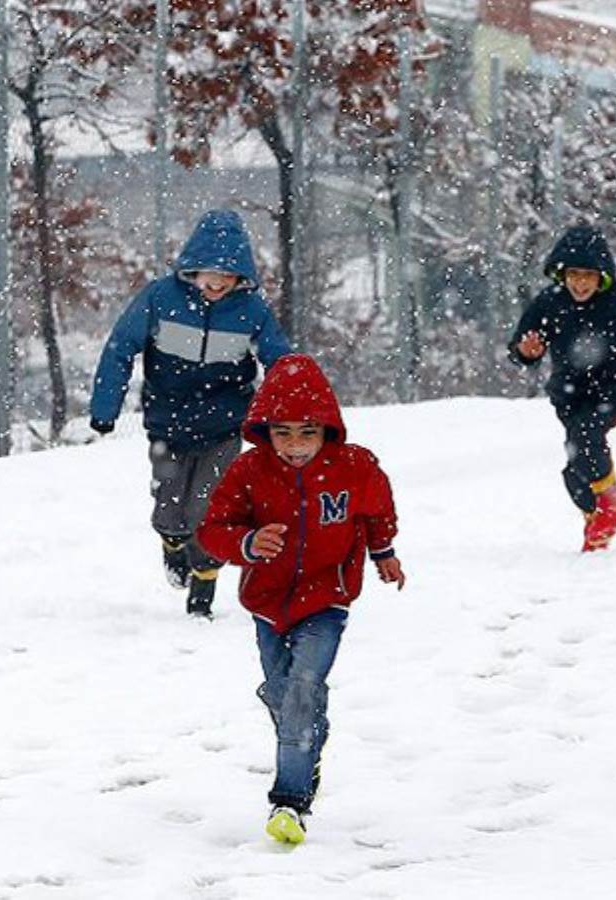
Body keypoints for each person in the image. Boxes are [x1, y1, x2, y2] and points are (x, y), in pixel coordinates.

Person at [197, 353, 405, 846]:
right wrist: (246, 543)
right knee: (282, 692)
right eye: (283, 433)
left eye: (307, 433)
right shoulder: (249, 471)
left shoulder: (354, 467)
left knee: (302, 687)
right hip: (267, 603)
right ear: (265, 431)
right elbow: (212, 529)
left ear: (328, 429)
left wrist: (384, 552)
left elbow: (377, 510)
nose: (294, 446)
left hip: (326, 598)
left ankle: (289, 800)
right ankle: (307, 737)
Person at [89, 210, 290, 618]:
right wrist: (104, 407)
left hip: (224, 426)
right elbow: (120, 347)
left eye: (227, 279)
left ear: (242, 278)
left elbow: (281, 361)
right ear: (192, 269)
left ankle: (204, 585)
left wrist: (290, 413)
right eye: (209, 277)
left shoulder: (251, 310)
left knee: (210, 509)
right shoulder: (161, 299)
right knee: (170, 507)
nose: (216, 286)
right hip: (167, 422)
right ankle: (172, 544)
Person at [507, 224, 616, 551]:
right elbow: (523, 343)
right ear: (561, 275)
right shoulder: (549, 303)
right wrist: (525, 352)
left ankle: (610, 502)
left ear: (602, 276)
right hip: (571, 389)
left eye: (588, 275)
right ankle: (595, 516)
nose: (580, 283)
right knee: (575, 466)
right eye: (573, 275)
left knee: (587, 434)